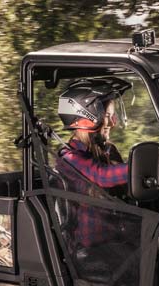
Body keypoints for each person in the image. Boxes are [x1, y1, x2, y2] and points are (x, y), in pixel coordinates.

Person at [55, 77, 132, 249]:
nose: (112, 123)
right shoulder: (69, 158)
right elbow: (102, 176)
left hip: (117, 239)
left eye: (112, 116)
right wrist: (140, 167)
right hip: (91, 248)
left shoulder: (108, 150)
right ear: (88, 116)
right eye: (107, 116)